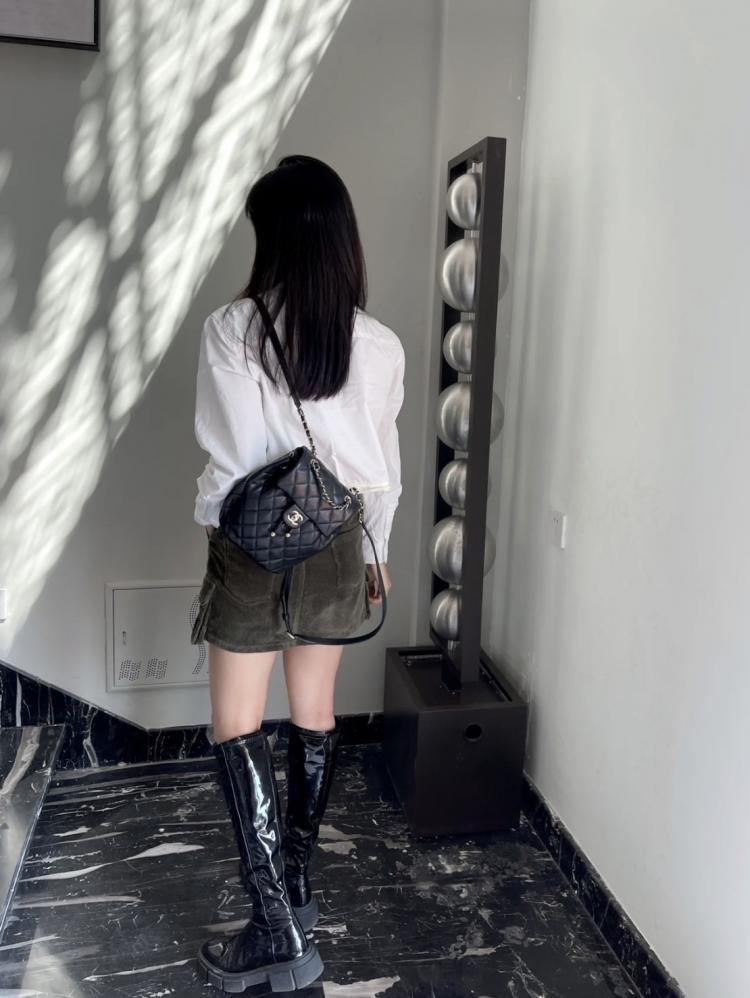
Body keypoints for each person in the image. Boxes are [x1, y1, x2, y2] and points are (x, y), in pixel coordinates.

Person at [190, 154, 405, 992]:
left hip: (254, 546)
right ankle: (298, 889)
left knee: (235, 725)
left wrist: (221, 527)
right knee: (315, 713)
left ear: (273, 237)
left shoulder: (233, 329)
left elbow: (235, 459)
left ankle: (274, 925)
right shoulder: (378, 344)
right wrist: (376, 551)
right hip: (341, 542)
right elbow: (380, 469)